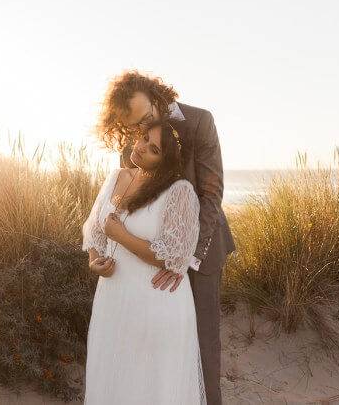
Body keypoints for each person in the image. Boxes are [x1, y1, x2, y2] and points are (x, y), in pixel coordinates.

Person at [96, 69, 236, 405]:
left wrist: (182, 257)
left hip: (200, 252)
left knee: (203, 349)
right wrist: (105, 254)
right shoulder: (133, 142)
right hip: (150, 257)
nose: (141, 133)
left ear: (158, 98)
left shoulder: (201, 122)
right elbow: (128, 205)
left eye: (146, 118)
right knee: (152, 348)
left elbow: (211, 195)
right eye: (133, 127)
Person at [81, 120, 206, 404]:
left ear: (167, 160)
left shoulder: (179, 191)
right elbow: (94, 229)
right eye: (144, 139)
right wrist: (93, 260)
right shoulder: (116, 177)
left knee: (149, 387)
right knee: (113, 379)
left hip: (155, 303)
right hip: (112, 301)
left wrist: (121, 236)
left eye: (154, 150)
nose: (141, 149)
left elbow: (172, 255)